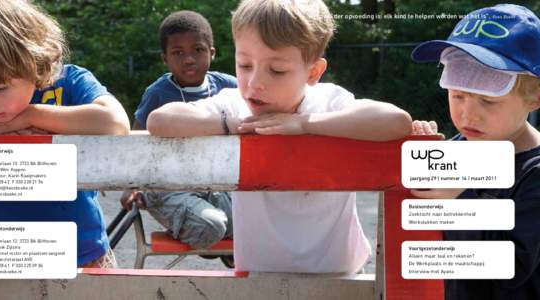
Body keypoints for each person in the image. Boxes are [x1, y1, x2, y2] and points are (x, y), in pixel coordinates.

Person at [148, 0, 412, 273]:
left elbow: (396, 121)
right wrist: (232, 125)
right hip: (258, 274)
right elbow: (160, 120)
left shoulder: (328, 101)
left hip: (339, 274)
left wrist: (303, 124)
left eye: (277, 70)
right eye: (245, 65)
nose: (254, 83)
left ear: (313, 72)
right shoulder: (235, 105)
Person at [0, 0, 130, 268]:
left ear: (38, 63)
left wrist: (31, 114)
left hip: (78, 250)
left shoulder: (69, 82)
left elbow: (115, 122)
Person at [411, 4, 540, 299]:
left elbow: (513, 264)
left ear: (535, 97)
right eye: (457, 95)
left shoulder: (534, 172)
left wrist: (460, 199)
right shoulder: (453, 152)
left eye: (488, 101)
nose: (468, 114)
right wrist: (421, 153)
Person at [120, 11, 236, 263]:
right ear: (165, 58)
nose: (189, 59)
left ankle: (216, 238)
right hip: (168, 185)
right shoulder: (159, 93)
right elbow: (136, 142)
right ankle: (210, 235)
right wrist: (132, 186)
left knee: (256, 220)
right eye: (178, 53)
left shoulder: (228, 87)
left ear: (212, 53)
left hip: (216, 184)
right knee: (212, 225)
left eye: (197, 49)